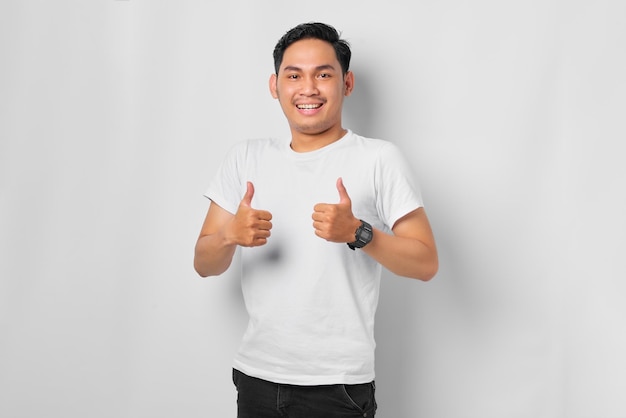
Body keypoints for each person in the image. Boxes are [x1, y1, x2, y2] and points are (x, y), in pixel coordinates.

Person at [194, 22, 438, 418]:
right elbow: (204, 263)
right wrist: (229, 236)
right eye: (294, 75)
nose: (308, 88)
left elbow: (426, 262)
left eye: (323, 74)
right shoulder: (245, 158)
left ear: (347, 83)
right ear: (275, 85)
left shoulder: (378, 159)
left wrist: (359, 233)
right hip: (257, 378)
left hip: (337, 386)